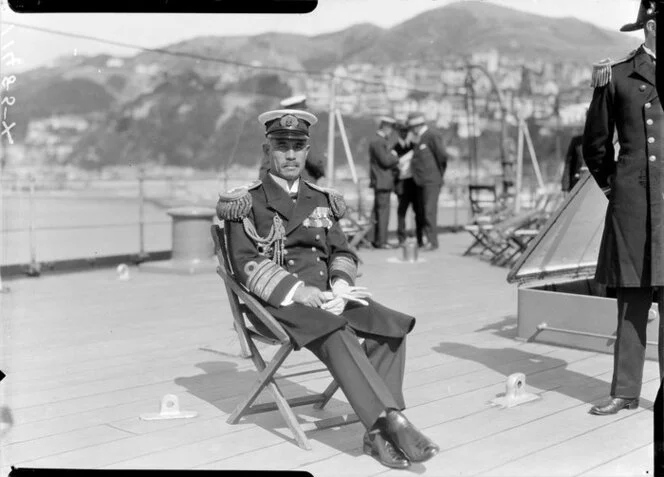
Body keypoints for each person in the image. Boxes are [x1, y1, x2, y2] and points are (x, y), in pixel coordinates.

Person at [217, 108, 439, 468]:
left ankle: (377, 438)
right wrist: (298, 292)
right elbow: (245, 264)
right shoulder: (246, 201)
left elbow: (342, 252)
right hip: (277, 305)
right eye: (282, 146)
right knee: (337, 331)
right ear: (266, 150)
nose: (290, 154)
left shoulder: (321, 199)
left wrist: (339, 285)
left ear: (307, 152)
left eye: (298, 147)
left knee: (390, 326)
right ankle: (391, 421)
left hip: (328, 297)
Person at [583, 0, 664, 416]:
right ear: (652, 24)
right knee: (631, 302)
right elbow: (595, 146)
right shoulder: (615, 77)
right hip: (634, 207)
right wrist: (618, 188)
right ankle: (626, 391)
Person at [257, 94, 326, 184]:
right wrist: (321, 174)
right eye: (304, 110)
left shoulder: (271, 139)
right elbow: (315, 160)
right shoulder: (304, 137)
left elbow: (264, 168)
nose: (290, 155)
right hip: (302, 186)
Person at [407, 112, 448, 251]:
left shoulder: (431, 136)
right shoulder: (420, 138)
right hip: (422, 181)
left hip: (431, 181)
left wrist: (438, 174)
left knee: (429, 211)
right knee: (424, 211)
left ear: (416, 126)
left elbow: (442, 156)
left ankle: (432, 242)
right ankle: (427, 239)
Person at [368, 116, 399, 249]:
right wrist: (395, 156)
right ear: (387, 128)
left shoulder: (378, 141)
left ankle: (375, 238)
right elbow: (385, 161)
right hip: (383, 181)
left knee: (377, 211)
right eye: (391, 129)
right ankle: (382, 241)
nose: (391, 133)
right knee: (383, 212)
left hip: (379, 181)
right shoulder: (379, 142)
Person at [392, 120, 422, 246]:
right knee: (401, 212)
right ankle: (401, 238)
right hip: (401, 184)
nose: (404, 133)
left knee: (418, 211)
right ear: (399, 132)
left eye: (406, 131)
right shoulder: (394, 148)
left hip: (414, 183)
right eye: (402, 131)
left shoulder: (414, 146)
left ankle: (420, 238)